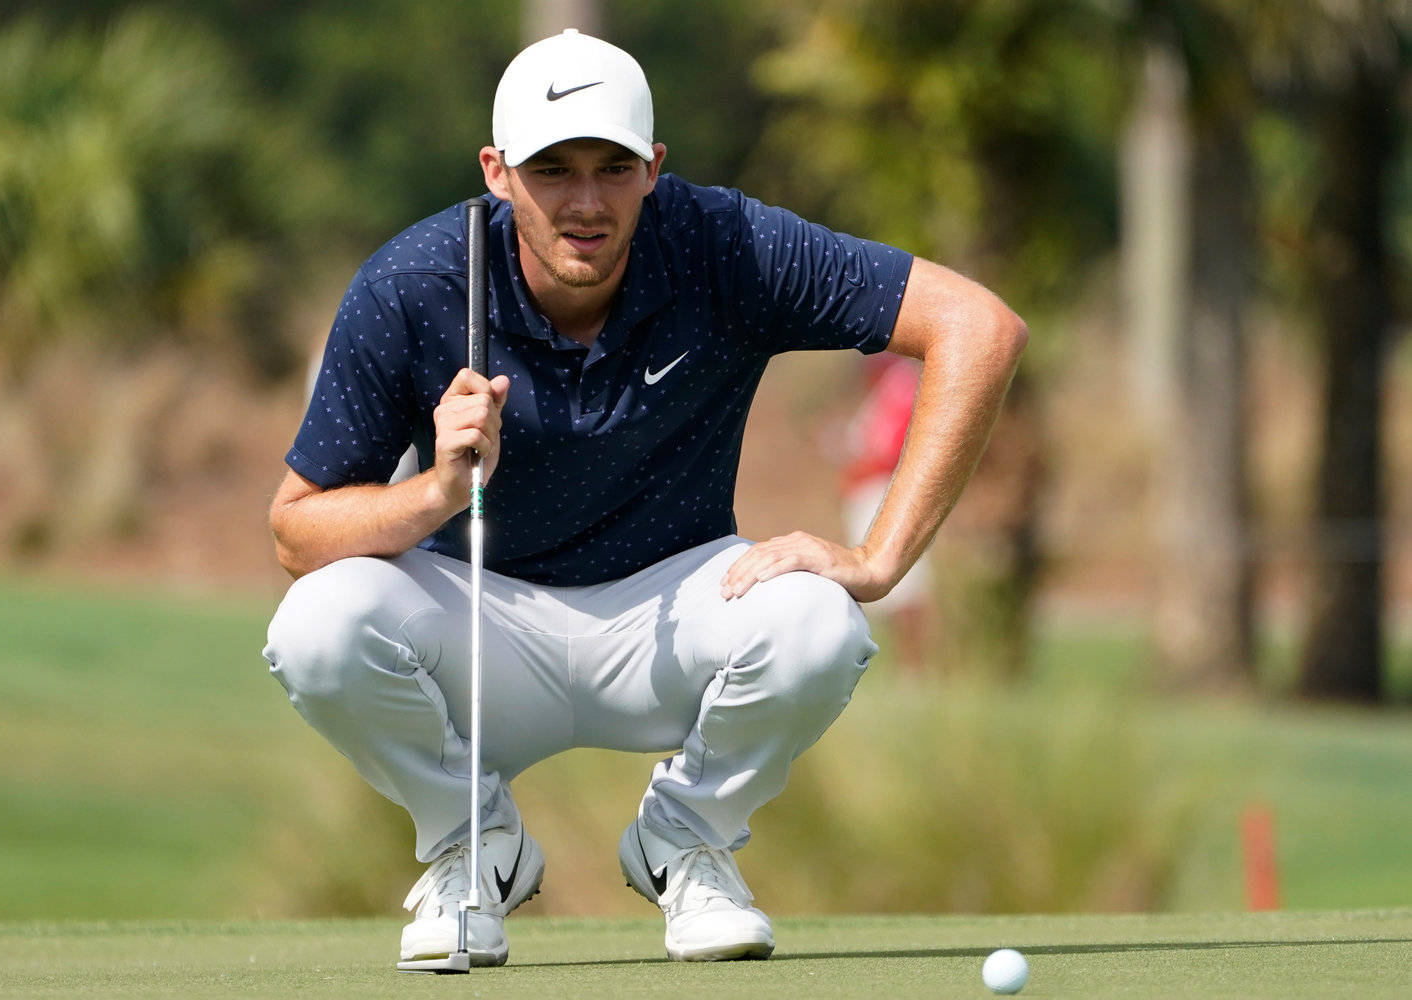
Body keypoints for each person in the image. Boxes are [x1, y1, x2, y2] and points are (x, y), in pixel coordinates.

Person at [263, 29, 1026, 967]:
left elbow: (977, 327)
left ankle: (686, 839)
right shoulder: (414, 285)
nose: (585, 202)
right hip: (481, 621)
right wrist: (435, 492)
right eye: (552, 169)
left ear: (654, 167)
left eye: (613, 167)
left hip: (674, 604)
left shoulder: (726, 245)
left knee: (821, 623)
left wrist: (881, 559)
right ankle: (475, 845)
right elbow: (296, 531)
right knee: (317, 627)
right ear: (497, 172)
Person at [840, 354, 934, 670]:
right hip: (869, 496)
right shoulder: (881, 393)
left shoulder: (900, 388)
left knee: (903, 589)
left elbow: (897, 452)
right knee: (891, 593)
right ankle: (905, 667)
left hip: (885, 495)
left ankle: (914, 668)